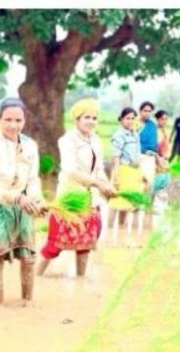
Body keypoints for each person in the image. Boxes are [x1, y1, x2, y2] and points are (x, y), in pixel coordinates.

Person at [0, 97, 46, 306]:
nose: (13, 125)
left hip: (23, 204)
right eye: (8, 120)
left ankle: (27, 302)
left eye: (18, 120)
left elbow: (32, 179)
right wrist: (16, 197)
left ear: (25, 120)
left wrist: (36, 200)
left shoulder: (30, 146)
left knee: (29, 255)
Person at [37, 98, 117, 277]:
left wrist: (107, 186)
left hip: (90, 199)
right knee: (55, 243)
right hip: (70, 197)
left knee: (86, 243)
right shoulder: (67, 140)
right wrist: (98, 184)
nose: (91, 121)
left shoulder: (96, 140)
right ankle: (35, 277)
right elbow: (70, 170)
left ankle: (80, 280)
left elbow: (99, 169)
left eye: (94, 118)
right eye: (86, 117)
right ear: (77, 119)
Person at [107, 107, 149, 226]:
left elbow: (137, 154)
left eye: (132, 118)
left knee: (126, 203)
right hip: (122, 170)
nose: (130, 121)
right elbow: (116, 157)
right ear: (121, 119)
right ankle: (109, 230)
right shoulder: (119, 135)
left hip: (133, 172)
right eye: (127, 118)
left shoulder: (135, 134)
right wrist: (116, 175)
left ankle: (120, 229)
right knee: (115, 202)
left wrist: (141, 173)